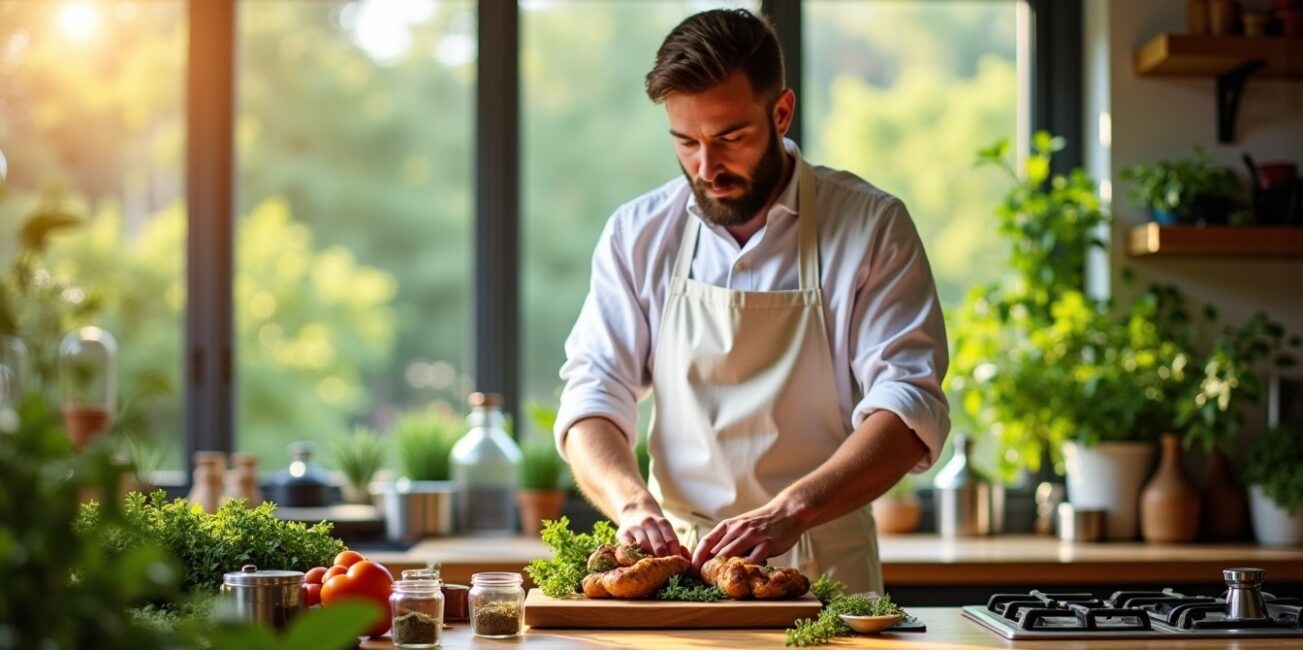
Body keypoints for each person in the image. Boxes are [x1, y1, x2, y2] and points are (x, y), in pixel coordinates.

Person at [552, 8, 949, 594]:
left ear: (781, 112)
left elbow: (909, 401)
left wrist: (794, 510)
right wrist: (632, 505)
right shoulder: (637, 233)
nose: (706, 168)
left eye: (729, 138)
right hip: (677, 573)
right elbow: (593, 392)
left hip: (825, 571)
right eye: (686, 142)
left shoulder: (870, 225)